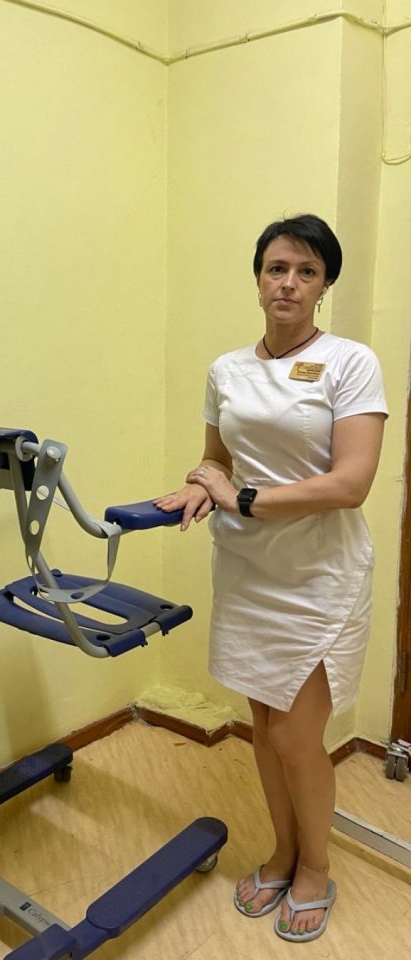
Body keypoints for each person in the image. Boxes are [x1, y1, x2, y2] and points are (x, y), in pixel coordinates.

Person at [154, 214, 387, 943]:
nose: (289, 283)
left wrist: (244, 499)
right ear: (257, 279)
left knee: (295, 735)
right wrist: (200, 482)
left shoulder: (350, 362)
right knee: (261, 727)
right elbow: (217, 460)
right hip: (249, 570)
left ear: (324, 286)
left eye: (306, 271)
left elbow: (351, 484)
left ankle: (316, 867)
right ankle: (284, 851)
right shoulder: (227, 370)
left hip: (319, 576)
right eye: (277, 268)